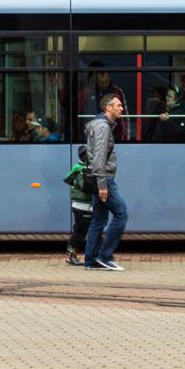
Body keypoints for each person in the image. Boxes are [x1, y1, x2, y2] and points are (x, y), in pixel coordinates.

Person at [81, 93, 128, 271]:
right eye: (118, 105)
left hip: (100, 178)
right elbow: (99, 158)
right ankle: (104, 256)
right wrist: (102, 185)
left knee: (99, 219)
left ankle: (91, 260)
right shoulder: (103, 127)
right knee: (121, 213)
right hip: (104, 178)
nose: (121, 108)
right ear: (108, 108)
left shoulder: (100, 125)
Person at [63, 146, 94, 266]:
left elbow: (68, 180)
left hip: (81, 205)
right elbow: (86, 187)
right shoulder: (82, 170)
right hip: (82, 205)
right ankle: (71, 255)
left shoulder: (79, 168)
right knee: (79, 232)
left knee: (82, 230)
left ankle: (75, 254)